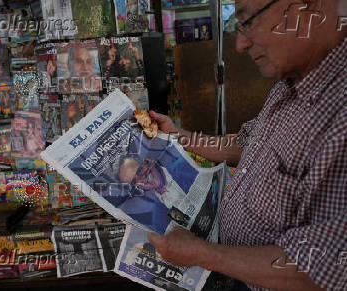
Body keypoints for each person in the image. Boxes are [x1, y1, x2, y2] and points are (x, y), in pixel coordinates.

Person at [147, 1, 347, 290]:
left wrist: (203, 254)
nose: (240, 44)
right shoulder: (290, 82)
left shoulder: (338, 114)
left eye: (248, 21)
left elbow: (320, 269)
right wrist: (180, 135)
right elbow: (247, 146)